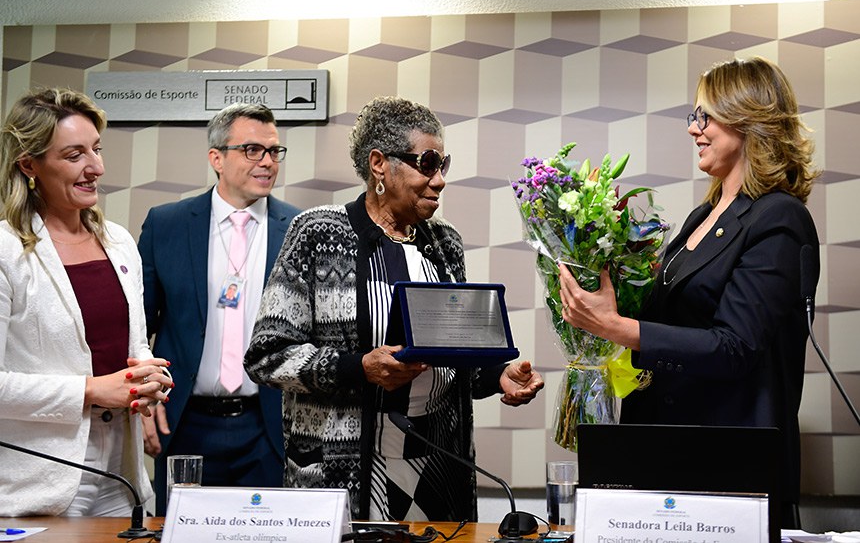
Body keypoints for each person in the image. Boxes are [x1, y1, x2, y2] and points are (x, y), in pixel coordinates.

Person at [245, 96, 545, 522]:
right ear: (379, 163)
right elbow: (267, 356)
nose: (439, 180)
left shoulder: (445, 243)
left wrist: (497, 375)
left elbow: (451, 351)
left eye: (444, 165)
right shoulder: (316, 232)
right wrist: (358, 367)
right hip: (342, 472)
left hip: (438, 466)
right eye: (427, 163)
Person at [556, 56, 820, 527]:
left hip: (727, 469)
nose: (694, 129)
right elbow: (671, 324)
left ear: (748, 118)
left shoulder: (778, 218)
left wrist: (618, 326)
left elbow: (734, 348)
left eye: (705, 116)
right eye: (692, 117)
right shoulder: (703, 216)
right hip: (659, 452)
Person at [0, 88, 172, 516]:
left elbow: (132, 343)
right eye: (74, 155)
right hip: (43, 475)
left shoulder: (118, 240)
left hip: (124, 469)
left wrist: (146, 375)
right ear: (29, 165)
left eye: (96, 149)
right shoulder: (5, 251)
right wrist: (91, 390)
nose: (96, 167)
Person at [138, 103, 301, 515]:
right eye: (252, 150)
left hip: (268, 428)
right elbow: (137, 325)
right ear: (216, 158)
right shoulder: (167, 224)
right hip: (186, 424)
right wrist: (144, 398)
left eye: (274, 151)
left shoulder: (300, 228)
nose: (267, 162)